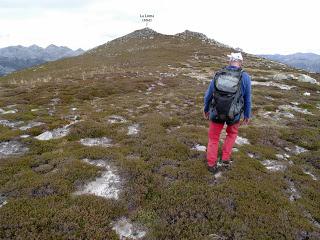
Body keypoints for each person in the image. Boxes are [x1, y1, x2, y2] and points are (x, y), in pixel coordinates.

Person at [203, 52, 252, 174]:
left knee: (213, 138)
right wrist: (247, 115)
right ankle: (225, 159)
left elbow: (208, 94)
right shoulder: (245, 77)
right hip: (234, 114)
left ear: (230, 61)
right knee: (231, 134)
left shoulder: (219, 74)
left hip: (216, 112)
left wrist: (206, 109)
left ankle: (211, 164)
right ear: (240, 62)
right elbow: (248, 98)